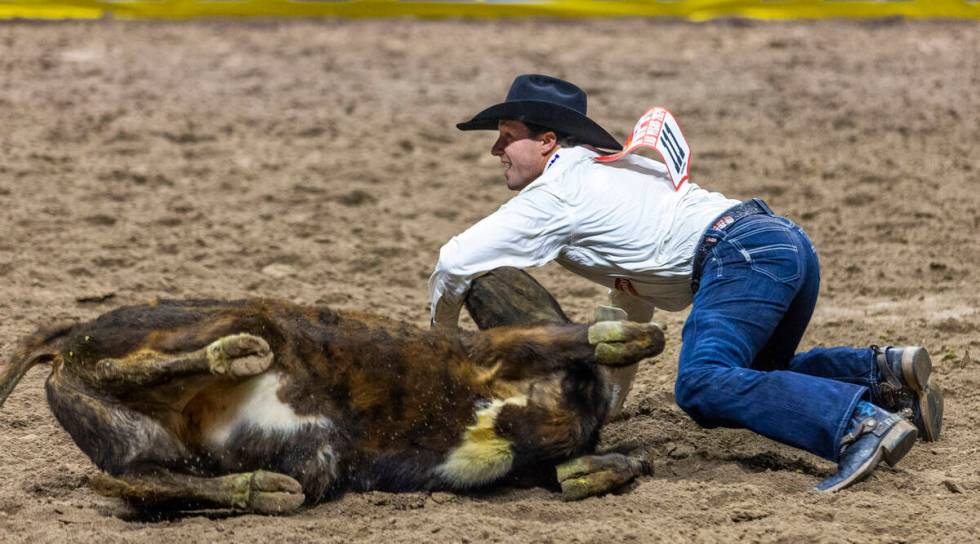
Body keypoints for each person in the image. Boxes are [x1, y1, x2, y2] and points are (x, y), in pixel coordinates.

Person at [427, 74, 944, 492]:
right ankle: (882, 376)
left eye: (507, 136)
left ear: (546, 142)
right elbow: (630, 304)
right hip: (781, 244)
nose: (496, 149)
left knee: (703, 384)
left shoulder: (557, 194)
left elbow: (453, 263)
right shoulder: (614, 175)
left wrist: (445, 349)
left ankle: (858, 425)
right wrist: (611, 406)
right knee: (753, 377)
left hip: (738, 256)